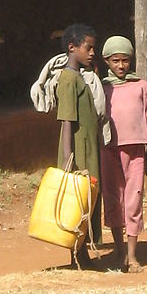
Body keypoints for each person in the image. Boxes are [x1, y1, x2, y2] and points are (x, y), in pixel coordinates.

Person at [100, 35, 147, 273]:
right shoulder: (102, 88)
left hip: (136, 151)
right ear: (106, 61)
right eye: (116, 61)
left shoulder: (141, 86)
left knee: (134, 200)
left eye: (125, 60)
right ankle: (119, 251)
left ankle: (132, 256)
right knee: (113, 199)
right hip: (109, 150)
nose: (121, 65)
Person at [55, 23, 102, 262]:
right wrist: (68, 158)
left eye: (93, 48)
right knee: (79, 200)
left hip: (88, 147)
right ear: (72, 47)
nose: (92, 53)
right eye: (88, 48)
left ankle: (83, 250)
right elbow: (66, 119)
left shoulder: (79, 77)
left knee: (88, 198)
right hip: (77, 149)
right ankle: (78, 253)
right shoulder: (68, 79)